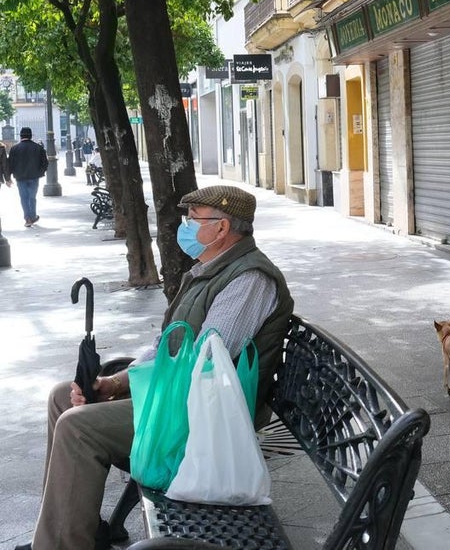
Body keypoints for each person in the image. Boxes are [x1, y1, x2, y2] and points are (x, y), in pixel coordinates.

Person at [16, 185, 295, 550]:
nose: (187, 228)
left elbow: (205, 362)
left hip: (204, 420)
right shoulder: (211, 270)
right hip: (182, 400)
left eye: (193, 219)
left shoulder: (249, 279)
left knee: (78, 427)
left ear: (222, 228)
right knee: (62, 398)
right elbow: (169, 346)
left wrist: (134, 385)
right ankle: (70, 526)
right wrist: (116, 383)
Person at [7, 127, 48, 227]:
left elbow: (10, 164)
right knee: (32, 197)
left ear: (21, 136)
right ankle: (33, 216)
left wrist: (8, 177)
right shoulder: (38, 147)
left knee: (23, 198)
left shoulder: (14, 148)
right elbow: (45, 163)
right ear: (30, 135)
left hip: (20, 177)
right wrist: (40, 172)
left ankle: (27, 218)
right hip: (34, 177)